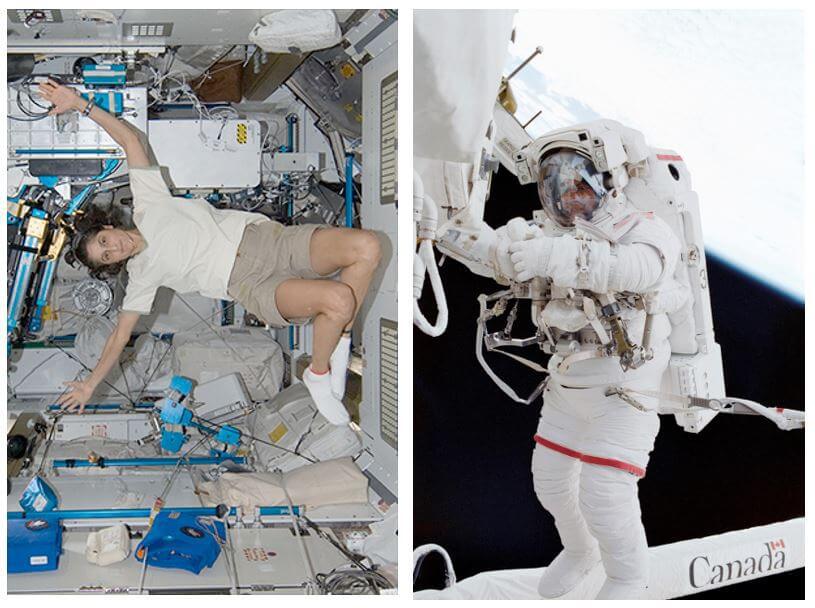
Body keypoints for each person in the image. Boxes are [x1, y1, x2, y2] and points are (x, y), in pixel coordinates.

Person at [38, 79, 381, 425]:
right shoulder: (141, 276)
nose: (114, 248)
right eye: (108, 257)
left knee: (367, 246)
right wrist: (90, 385)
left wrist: (79, 103)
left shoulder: (148, 203)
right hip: (250, 284)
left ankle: (341, 340)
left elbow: (131, 140)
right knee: (338, 300)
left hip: (271, 241)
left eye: (104, 242)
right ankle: (318, 373)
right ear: (114, 266)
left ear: (107, 227)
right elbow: (118, 337)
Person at [502, 147, 683, 599]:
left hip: (624, 388)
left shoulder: (645, 230)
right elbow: (516, 265)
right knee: (550, 482)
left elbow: (638, 269)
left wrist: (555, 258)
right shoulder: (548, 233)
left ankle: (626, 577)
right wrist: (501, 251)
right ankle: (580, 551)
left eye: (581, 185)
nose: (571, 198)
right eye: (559, 189)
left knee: (604, 493)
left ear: (608, 181)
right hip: (568, 383)